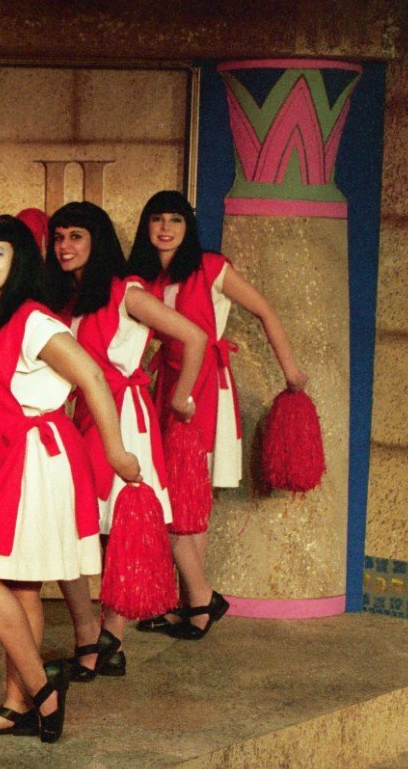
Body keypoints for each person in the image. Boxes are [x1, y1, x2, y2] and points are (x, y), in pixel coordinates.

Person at [0, 215, 139, 743]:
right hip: (8, 459)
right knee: (22, 583)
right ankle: (16, 705)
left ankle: (41, 686)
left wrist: (116, 452)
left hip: (41, 458)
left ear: (20, 261)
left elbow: (91, 375)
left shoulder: (34, 321)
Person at [127, 191, 309, 639]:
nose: (165, 228)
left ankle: (199, 601)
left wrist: (292, 373)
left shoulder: (210, 267)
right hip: (165, 384)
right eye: (157, 219)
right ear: (145, 227)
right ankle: (193, 604)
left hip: (203, 389)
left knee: (183, 497)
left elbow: (265, 310)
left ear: (188, 227)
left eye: (175, 220)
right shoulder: (143, 280)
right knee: (181, 498)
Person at [42, 201, 206, 678]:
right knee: (71, 527)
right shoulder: (66, 300)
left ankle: (106, 639)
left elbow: (194, 337)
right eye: (58, 237)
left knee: (119, 532)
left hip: (123, 416)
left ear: (97, 241)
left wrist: (179, 398)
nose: (65, 246)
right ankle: (91, 636)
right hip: (80, 416)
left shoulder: (127, 291)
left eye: (75, 236)